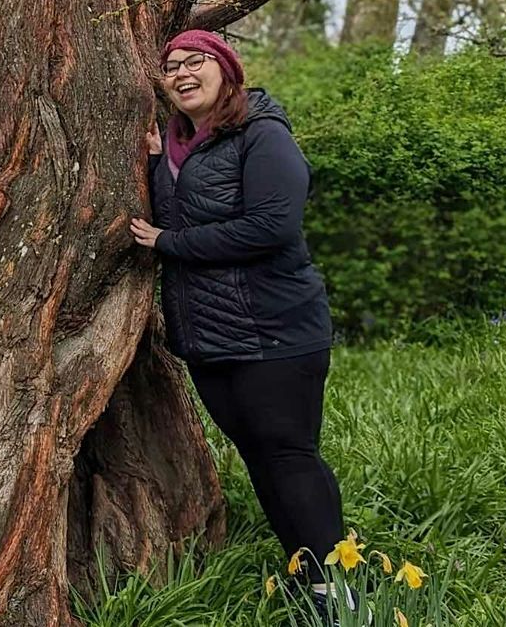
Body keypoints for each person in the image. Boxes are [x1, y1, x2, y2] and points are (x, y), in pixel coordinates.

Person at [128, 30, 356, 620]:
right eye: (171, 66)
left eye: (195, 61)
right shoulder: (178, 148)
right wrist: (156, 165)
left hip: (275, 331)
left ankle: (336, 586)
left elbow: (273, 225)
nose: (181, 73)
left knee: (288, 453)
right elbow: (176, 210)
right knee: (260, 456)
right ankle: (307, 571)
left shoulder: (261, 133)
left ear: (227, 69)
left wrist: (170, 243)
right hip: (209, 338)